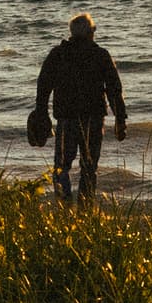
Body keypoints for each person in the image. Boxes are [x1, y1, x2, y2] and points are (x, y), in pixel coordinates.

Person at [34, 11, 126, 203]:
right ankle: (85, 208)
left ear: (72, 33)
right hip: (93, 119)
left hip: (66, 119)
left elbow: (43, 85)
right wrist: (120, 118)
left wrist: (41, 112)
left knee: (61, 166)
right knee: (89, 167)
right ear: (91, 32)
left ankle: (64, 204)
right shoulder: (100, 55)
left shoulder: (58, 54)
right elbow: (114, 89)